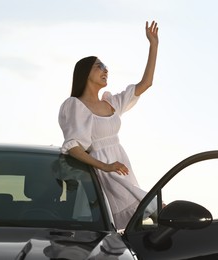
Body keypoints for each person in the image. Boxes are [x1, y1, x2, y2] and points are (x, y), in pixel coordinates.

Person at [58, 21, 158, 229]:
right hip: (102, 170)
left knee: (143, 214)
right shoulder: (74, 105)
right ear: (85, 73)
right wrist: (106, 167)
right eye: (99, 66)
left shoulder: (110, 102)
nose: (105, 69)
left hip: (121, 167)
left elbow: (145, 84)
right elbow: (74, 147)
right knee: (150, 206)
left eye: (105, 66)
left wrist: (153, 45)